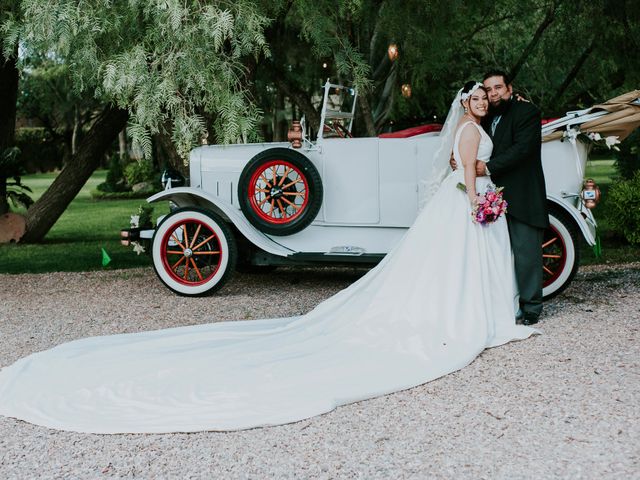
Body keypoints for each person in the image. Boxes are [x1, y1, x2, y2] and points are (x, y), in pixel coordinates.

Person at [0, 82, 536, 434]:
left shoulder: (476, 128)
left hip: (468, 199)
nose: (483, 103)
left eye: (486, 98)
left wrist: (477, 195)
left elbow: (467, 167)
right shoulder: (474, 126)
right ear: (468, 103)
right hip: (467, 198)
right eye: (478, 98)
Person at [479, 70, 548, 325]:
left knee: (526, 252)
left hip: (522, 193)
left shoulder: (527, 113)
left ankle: (532, 308)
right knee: (495, 254)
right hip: (492, 196)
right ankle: (501, 306)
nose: (493, 93)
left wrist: (487, 168)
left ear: (509, 88)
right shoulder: (485, 118)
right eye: (489, 89)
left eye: (498, 87)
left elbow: (522, 149)